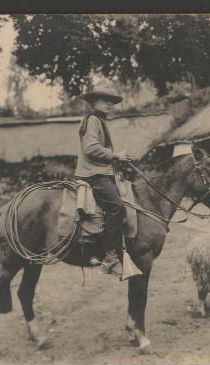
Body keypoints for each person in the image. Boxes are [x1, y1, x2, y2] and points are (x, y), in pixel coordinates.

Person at [74, 80, 132, 276]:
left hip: (100, 172)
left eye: (112, 101)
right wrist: (115, 155)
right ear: (94, 102)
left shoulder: (99, 120)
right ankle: (110, 256)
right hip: (93, 174)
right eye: (105, 100)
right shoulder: (92, 120)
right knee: (117, 207)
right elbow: (90, 148)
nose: (110, 104)